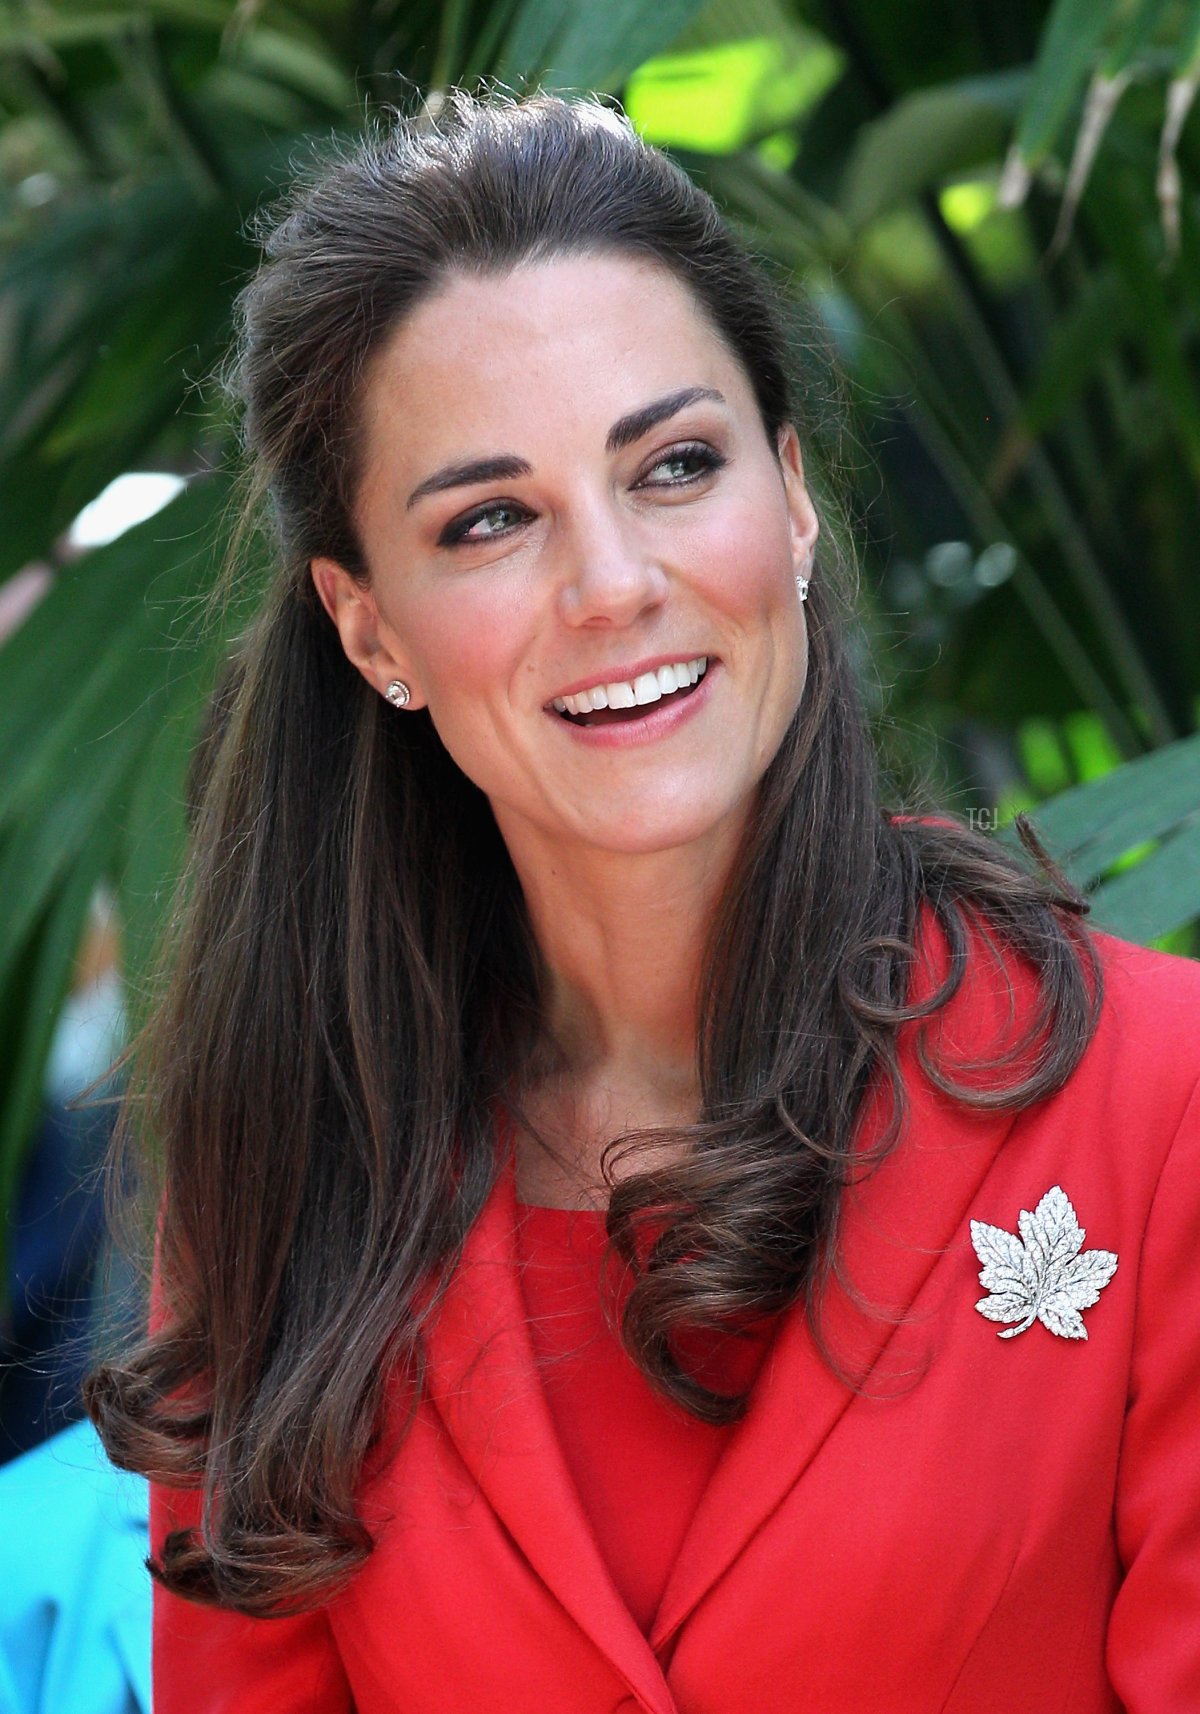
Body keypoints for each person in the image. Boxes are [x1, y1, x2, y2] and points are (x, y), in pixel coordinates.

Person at [85, 93, 1200, 1712]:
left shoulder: (1156, 1099)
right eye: (489, 519)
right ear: (368, 627)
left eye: (676, 464)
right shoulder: (290, 1171)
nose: (612, 582)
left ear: (795, 494)